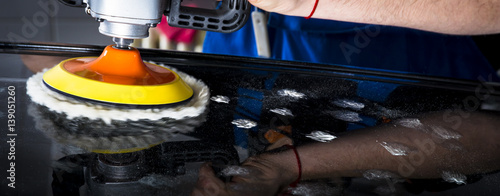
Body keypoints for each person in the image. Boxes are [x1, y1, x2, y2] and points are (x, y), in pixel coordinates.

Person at [192, 1, 500, 196]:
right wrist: (288, 168)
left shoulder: (215, 146)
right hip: (445, 45)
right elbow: (492, 140)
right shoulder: (396, 173)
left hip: (242, 30)